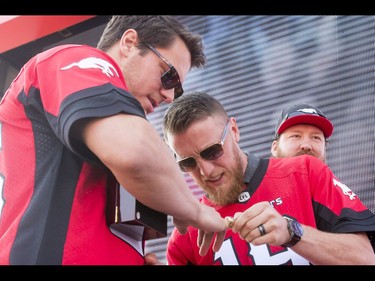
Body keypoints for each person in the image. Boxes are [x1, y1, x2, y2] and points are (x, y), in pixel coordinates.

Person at [0, 16, 228, 265]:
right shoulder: (77, 60)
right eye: (169, 76)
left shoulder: (116, 124)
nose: (170, 96)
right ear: (129, 43)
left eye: (178, 89)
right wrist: (193, 210)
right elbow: (135, 153)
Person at [162, 91, 375, 265]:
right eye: (188, 163)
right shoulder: (187, 236)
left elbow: (365, 257)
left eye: (212, 151)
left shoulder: (305, 172)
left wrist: (291, 231)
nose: (206, 171)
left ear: (234, 131)